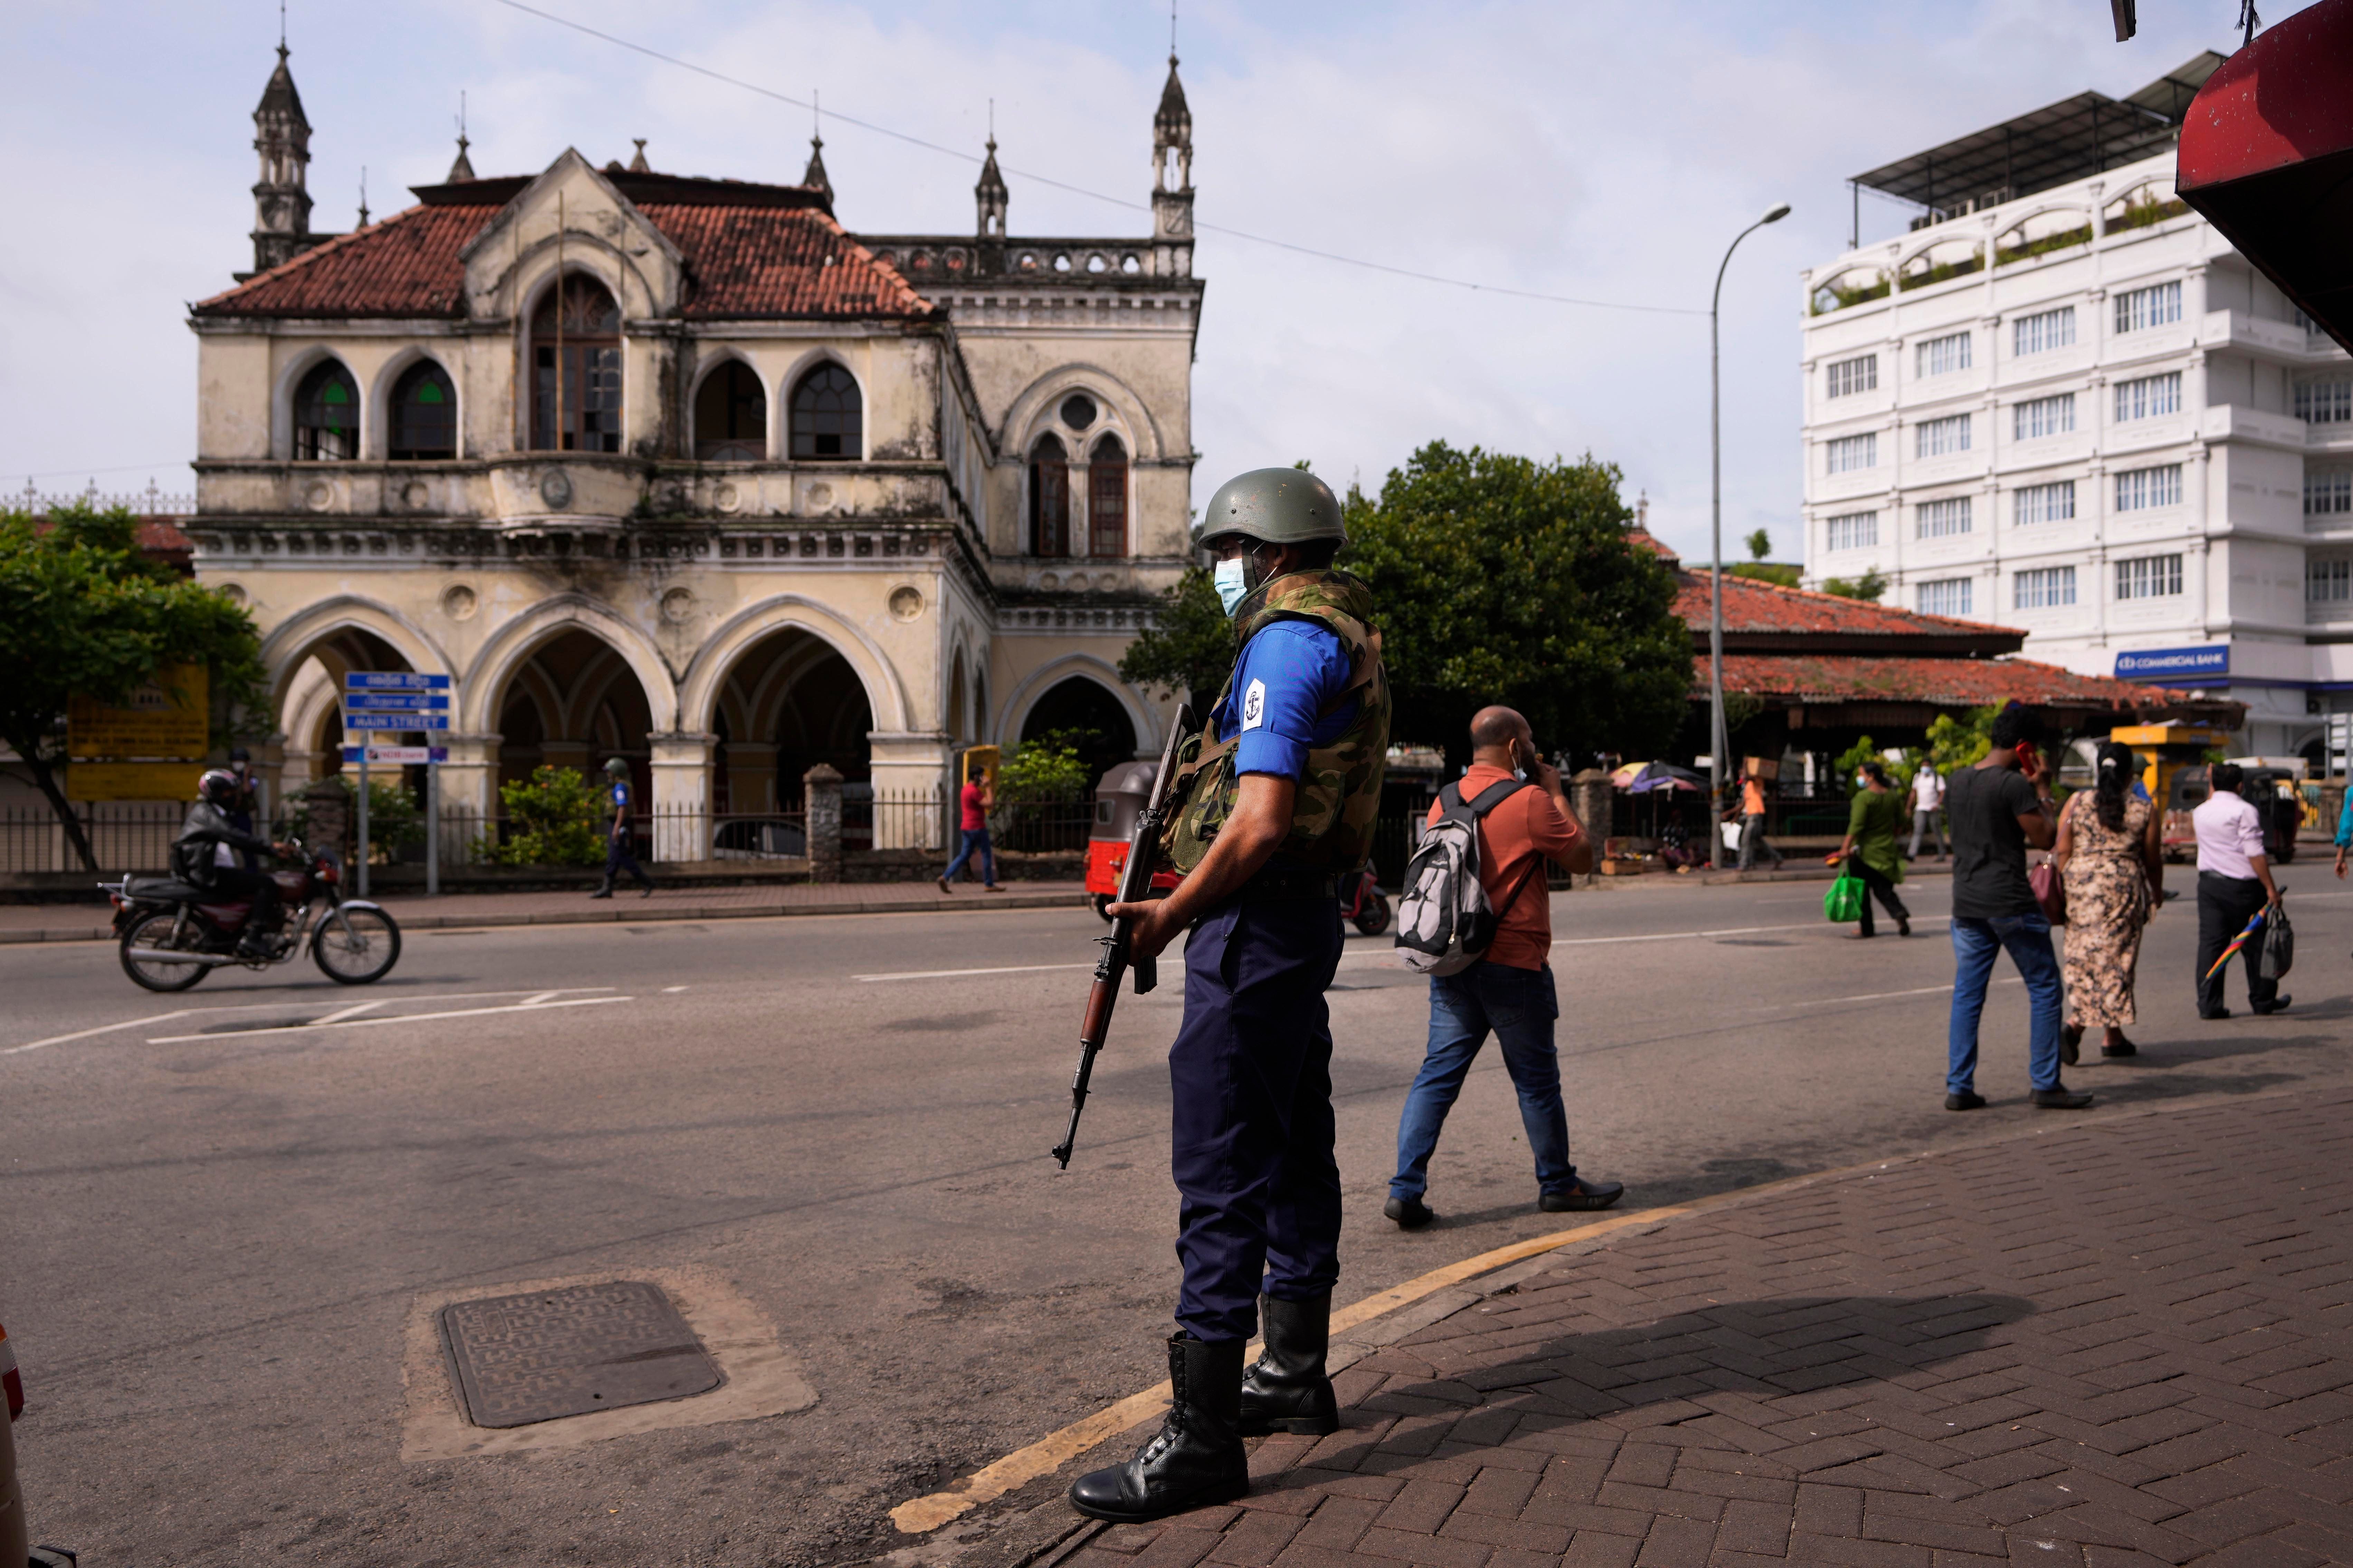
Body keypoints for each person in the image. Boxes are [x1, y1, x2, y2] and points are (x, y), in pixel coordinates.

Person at [1070, 468, 1388, 1524]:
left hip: (1253, 923)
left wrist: (1167, 914)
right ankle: (1292, 1371)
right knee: (1293, 1138)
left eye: (1225, 552)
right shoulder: (1338, 630)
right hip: (1293, 919)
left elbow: (1256, 821)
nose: (1219, 571)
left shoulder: (1286, 642)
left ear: (1269, 549)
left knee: (1219, 1159)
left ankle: (1202, 1437)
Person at [1385, 707, 1616, 1230]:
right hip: (1512, 963)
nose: (1533, 749)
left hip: (1452, 959)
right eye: (1529, 740)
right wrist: (1555, 790)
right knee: (1536, 1083)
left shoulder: (1442, 802)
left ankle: (1405, 1189)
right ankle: (1558, 1185)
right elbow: (1582, 858)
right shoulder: (1530, 801)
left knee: (1436, 1077)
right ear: (1515, 748)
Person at [1942, 705, 2091, 1111]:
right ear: (2024, 747)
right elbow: (2047, 840)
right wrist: (2042, 789)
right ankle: (2045, 1083)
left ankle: (1959, 1086)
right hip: (2009, 901)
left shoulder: (1956, 781)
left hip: (1967, 902)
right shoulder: (2012, 785)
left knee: (1967, 995)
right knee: (2044, 987)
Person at [2055, 741, 2163, 1061]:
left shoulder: (2076, 802)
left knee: (2085, 959)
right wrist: (2156, 894)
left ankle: (2112, 1037)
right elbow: (2152, 859)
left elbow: (2062, 847)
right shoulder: (2144, 808)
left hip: (2080, 890)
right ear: (2130, 773)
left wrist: (2069, 884)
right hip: (2121, 892)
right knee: (2116, 961)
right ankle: (2074, 1027)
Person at [2193, 762, 2286, 1017]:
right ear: (2240, 785)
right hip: (2243, 888)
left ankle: (2209, 1004)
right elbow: (2254, 853)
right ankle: (2262, 999)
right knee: (2255, 944)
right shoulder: (2244, 811)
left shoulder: (2200, 812)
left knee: (2211, 945)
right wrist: (2270, 888)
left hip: (2210, 887)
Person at [174, 767, 294, 956]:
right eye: (229, 792)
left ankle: (242, 931)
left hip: (207, 869)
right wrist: (270, 848)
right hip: (206, 873)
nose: (234, 796)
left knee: (254, 882)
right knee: (267, 885)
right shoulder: (207, 814)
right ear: (217, 794)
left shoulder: (214, 812)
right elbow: (233, 836)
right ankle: (254, 938)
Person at [1830, 760, 1910, 937]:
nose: (1860, 778)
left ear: (1871, 776)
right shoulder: (1893, 796)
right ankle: (1898, 913)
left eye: (1861, 774)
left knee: (1862, 891)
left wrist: (1845, 848)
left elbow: (1856, 826)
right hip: (1887, 850)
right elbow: (1902, 822)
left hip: (1865, 852)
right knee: (1884, 889)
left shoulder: (1864, 798)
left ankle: (1867, 929)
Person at [589, 756, 654, 899]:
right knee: (614, 857)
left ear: (616, 772)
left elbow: (622, 807)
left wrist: (617, 827)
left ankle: (647, 882)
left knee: (621, 857)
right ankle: (607, 888)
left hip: (620, 823)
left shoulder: (620, 787)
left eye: (610, 772)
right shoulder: (620, 785)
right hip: (618, 823)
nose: (608, 775)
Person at [936, 763, 1002, 892]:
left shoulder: (965, 789)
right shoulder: (974, 791)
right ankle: (989, 884)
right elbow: (990, 805)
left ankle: (945, 877)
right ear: (977, 777)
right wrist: (989, 787)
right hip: (977, 827)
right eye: (982, 776)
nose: (984, 779)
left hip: (966, 828)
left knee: (964, 855)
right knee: (987, 855)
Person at [1733, 771, 1782, 871]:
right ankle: (1777, 858)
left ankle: (1744, 864)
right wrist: (1732, 816)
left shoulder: (1757, 782)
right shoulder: (1747, 788)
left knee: (1746, 840)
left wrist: (1746, 764)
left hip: (1756, 815)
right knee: (1757, 840)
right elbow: (1742, 805)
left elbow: (1750, 776)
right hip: (1751, 816)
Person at [1908, 758, 1948, 861]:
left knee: (1937, 832)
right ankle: (1912, 854)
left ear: (1931, 766)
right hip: (1921, 808)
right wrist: (1908, 807)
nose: (1925, 768)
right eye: (1923, 766)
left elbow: (1943, 793)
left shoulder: (1936, 777)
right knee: (1918, 831)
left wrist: (1938, 804)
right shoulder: (1918, 777)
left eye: (1927, 766)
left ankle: (1942, 854)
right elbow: (1913, 792)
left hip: (1933, 808)